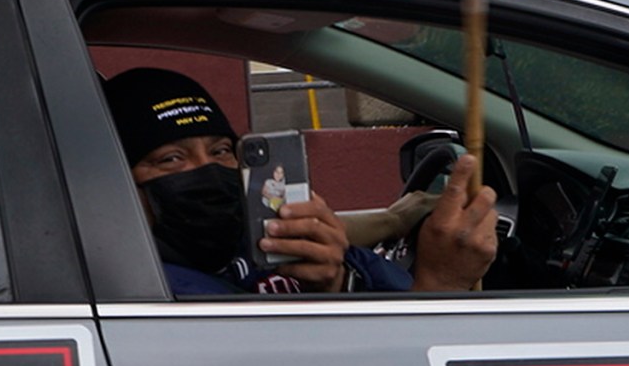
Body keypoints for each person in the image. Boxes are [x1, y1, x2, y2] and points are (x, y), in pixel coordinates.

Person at [101, 66, 498, 296]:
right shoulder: (150, 292)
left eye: (221, 150)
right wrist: (444, 282)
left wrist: (339, 278)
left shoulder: (273, 239)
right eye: (171, 159)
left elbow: (386, 285)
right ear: (119, 184)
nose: (208, 171)